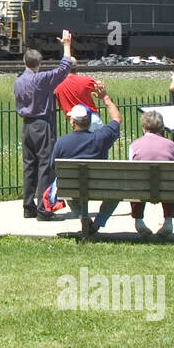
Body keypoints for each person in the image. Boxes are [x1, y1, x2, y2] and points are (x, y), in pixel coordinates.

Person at [16, 31, 73, 219]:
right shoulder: (40, 79)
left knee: (29, 165)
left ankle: (28, 206)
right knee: (45, 166)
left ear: (25, 62)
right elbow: (64, 68)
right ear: (38, 64)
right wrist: (66, 45)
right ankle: (43, 208)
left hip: (26, 125)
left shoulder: (18, 82)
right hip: (42, 124)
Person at [52, 81, 122, 236]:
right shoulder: (101, 137)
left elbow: (52, 167)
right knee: (117, 192)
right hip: (100, 186)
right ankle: (97, 224)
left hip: (73, 188)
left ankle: (85, 221)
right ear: (90, 121)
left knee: (66, 190)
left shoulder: (61, 143)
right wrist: (105, 98)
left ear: (72, 122)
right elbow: (116, 118)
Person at [128, 110, 174, 237]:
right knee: (170, 181)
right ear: (161, 128)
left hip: (142, 187)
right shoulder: (171, 145)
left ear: (144, 127)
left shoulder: (134, 145)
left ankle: (138, 220)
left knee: (136, 181)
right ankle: (168, 221)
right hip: (166, 188)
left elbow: (131, 169)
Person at [54, 58, 103, 131]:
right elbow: (100, 93)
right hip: (92, 118)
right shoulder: (87, 80)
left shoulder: (57, 85)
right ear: (76, 68)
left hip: (77, 122)